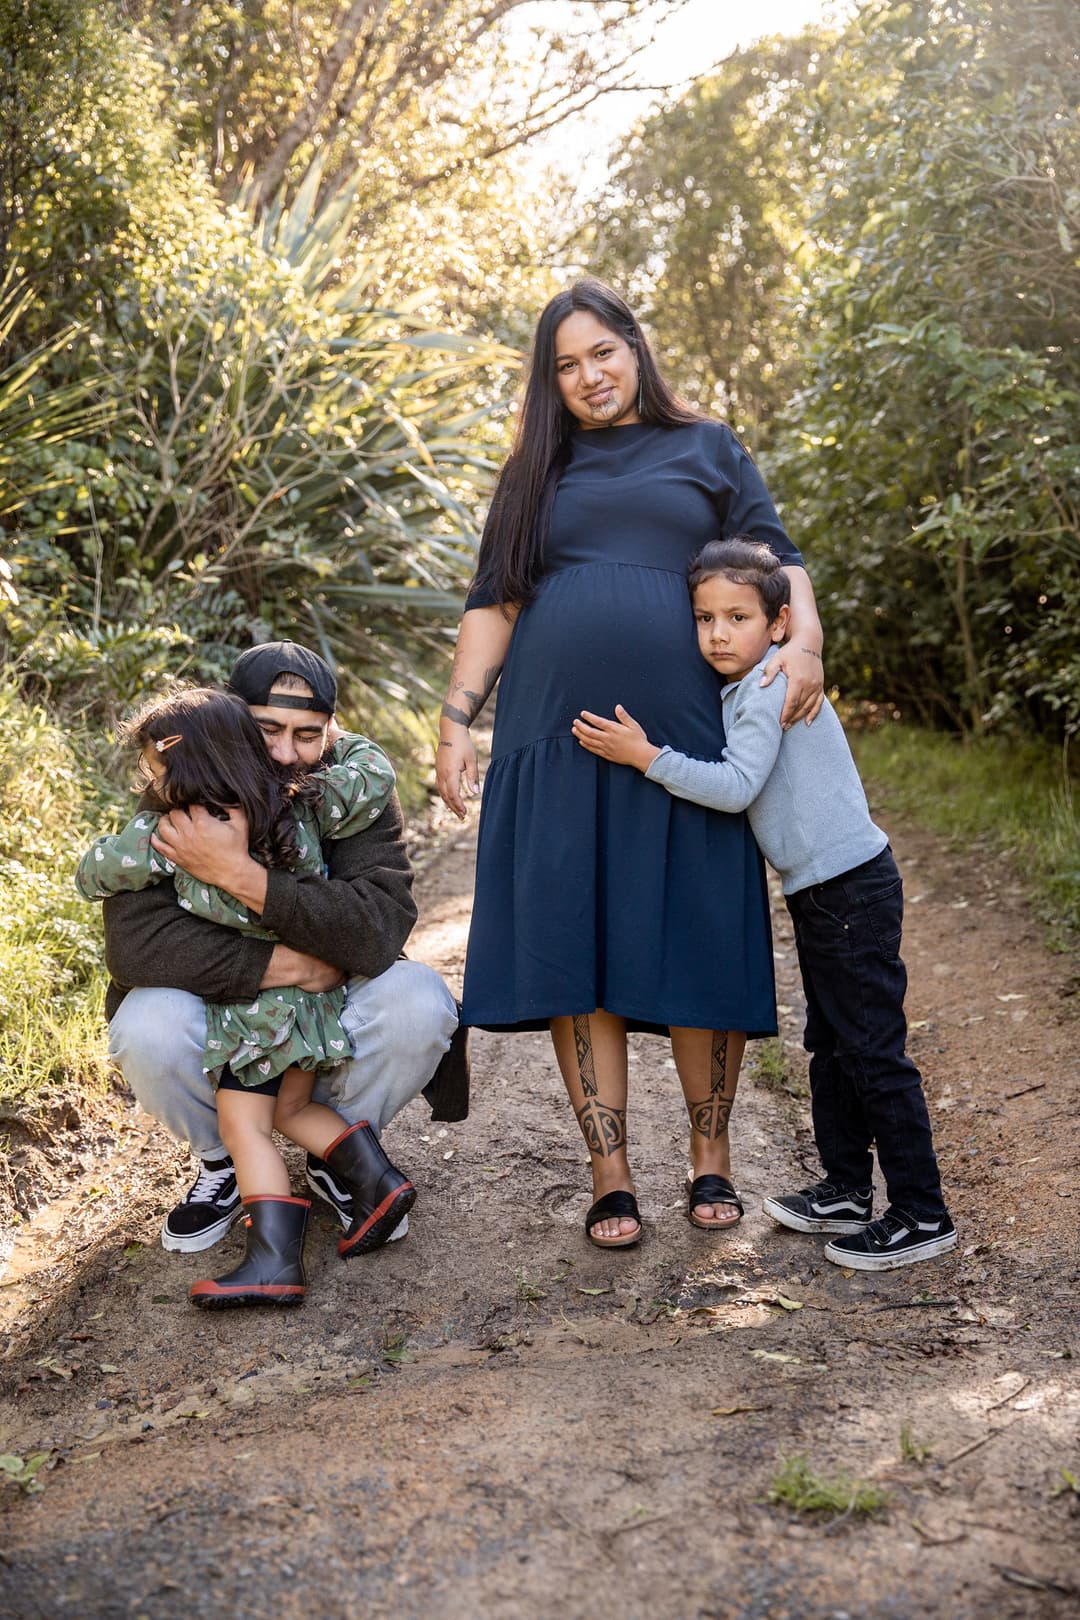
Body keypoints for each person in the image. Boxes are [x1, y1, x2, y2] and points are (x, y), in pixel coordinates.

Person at [436, 278, 825, 1248]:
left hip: (688, 735)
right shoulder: (533, 472)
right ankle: (609, 1174)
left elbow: (778, 560)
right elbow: (495, 601)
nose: (588, 377)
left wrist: (805, 647)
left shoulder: (706, 447)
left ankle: (711, 1157)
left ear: (635, 347)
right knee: (579, 950)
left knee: (696, 934)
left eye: (602, 352)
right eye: (565, 365)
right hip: (554, 742)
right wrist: (455, 719)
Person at [573, 537, 956, 1271]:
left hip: (850, 886)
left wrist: (644, 756)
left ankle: (922, 1210)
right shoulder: (743, 686)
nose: (718, 633)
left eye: (738, 617)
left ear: (778, 624)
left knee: (872, 1050)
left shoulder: (770, 686)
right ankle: (846, 1188)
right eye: (704, 618)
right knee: (833, 1046)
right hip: (823, 891)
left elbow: (737, 786)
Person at [104, 642, 463, 1256]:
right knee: (147, 1022)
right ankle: (222, 1161)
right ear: (230, 721)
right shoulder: (189, 778)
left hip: (326, 1008)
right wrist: (279, 964)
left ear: (331, 730)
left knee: (419, 1002)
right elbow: (136, 942)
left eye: (307, 735)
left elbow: (379, 926)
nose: (283, 754)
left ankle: (345, 1152)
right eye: (266, 729)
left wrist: (243, 877)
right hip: (234, 1004)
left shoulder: (351, 790)